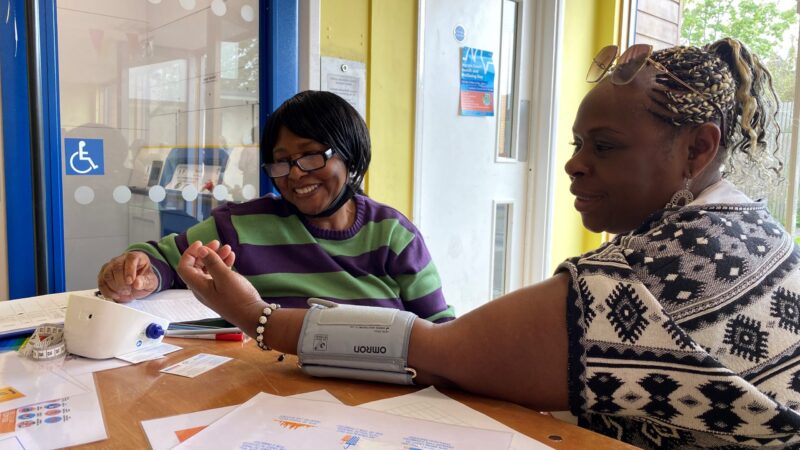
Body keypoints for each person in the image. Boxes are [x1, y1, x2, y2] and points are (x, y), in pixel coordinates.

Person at [175, 38, 800, 449]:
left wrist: (257, 318)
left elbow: (440, 345)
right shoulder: (753, 229)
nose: (573, 168)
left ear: (698, 148)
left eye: (603, 147)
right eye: (576, 145)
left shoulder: (652, 274)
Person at [97, 90, 455, 324]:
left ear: (351, 154)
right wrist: (138, 270)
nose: (296, 174)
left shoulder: (393, 235)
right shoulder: (241, 226)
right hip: (274, 396)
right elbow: (165, 256)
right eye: (282, 161)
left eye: (312, 155)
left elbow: (442, 330)